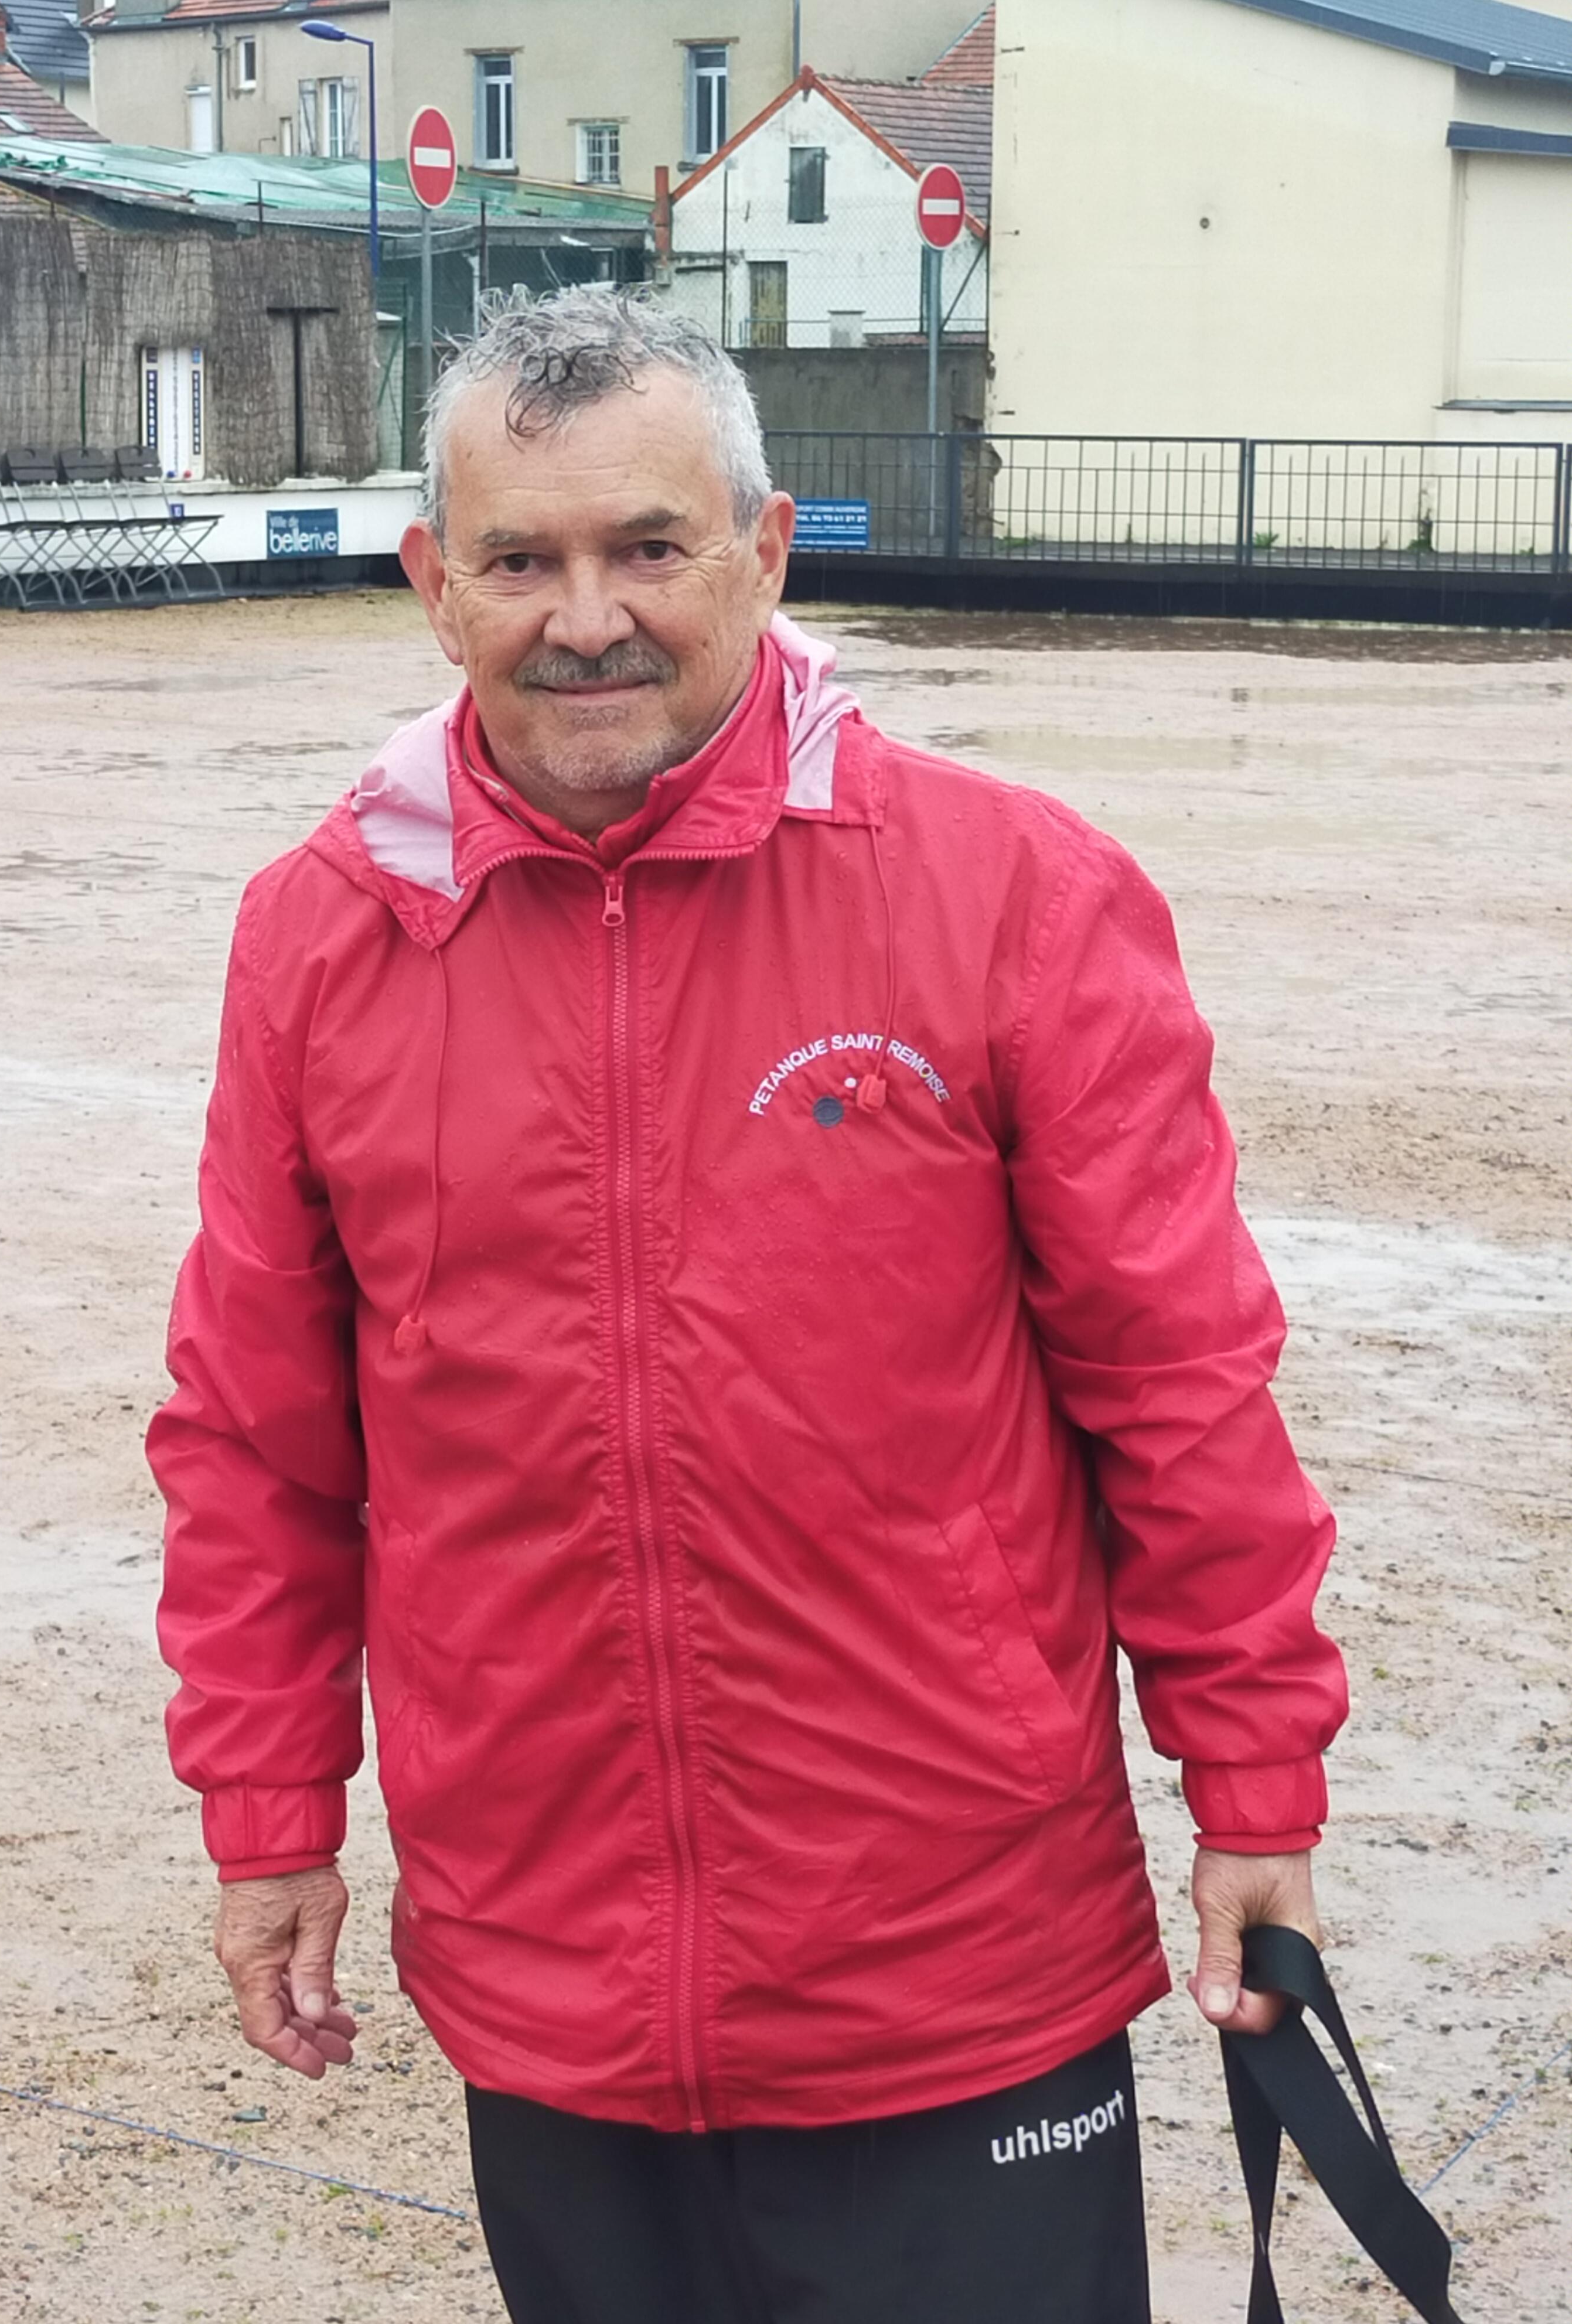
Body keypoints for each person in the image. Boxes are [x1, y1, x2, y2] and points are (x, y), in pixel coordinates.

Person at [149, 289, 1346, 2324]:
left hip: (953, 1965)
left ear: (768, 552)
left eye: (650, 548)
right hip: (547, 1973)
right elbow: (256, 1439)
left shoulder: (1013, 891)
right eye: (520, 561)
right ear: (433, 586)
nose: (586, 619)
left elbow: (1180, 1385)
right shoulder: (320, 940)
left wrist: (1253, 1787)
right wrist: (271, 1816)